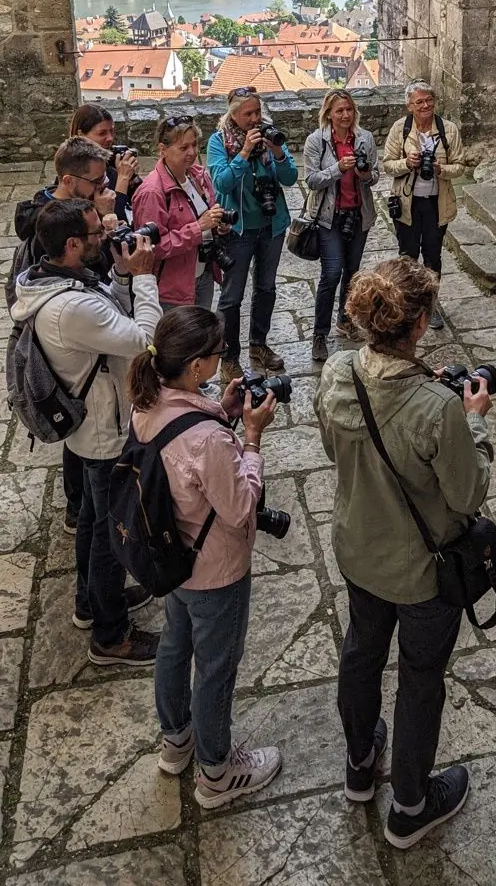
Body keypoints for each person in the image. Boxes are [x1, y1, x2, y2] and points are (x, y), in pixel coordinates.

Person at [314, 257, 494, 850]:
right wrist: (474, 425)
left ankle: (361, 763)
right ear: (417, 324)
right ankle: (411, 804)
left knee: (362, 653)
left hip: (359, 549)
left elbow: (337, 449)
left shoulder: (338, 373)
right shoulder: (437, 409)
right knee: (420, 678)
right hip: (421, 570)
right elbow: (466, 496)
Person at [129, 306, 283, 808]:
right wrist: (252, 439)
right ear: (196, 365)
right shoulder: (209, 439)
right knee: (216, 668)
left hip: (171, 559)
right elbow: (241, 507)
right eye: (218, 355)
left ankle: (177, 742)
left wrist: (223, 409)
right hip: (215, 570)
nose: (223, 361)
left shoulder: (148, 403)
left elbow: (184, 453)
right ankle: (217, 773)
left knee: (175, 647)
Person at [11, 197, 163, 665]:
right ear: (73, 243)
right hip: (103, 433)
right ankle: (110, 635)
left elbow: (109, 316)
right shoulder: (70, 308)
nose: (107, 235)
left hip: (93, 427)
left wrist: (118, 277)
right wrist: (143, 276)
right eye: (97, 233)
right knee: (111, 536)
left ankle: (90, 604)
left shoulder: (55, 278)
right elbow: (143, 343)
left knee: (95, 524)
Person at [9, 136, 118, 535]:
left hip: (75, 348)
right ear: (71, 182)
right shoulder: (52, 235)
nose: (102, 187)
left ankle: (81, 507)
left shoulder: (62, 221)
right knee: (81, 434)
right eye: (96, 181)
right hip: (76, 361)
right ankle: (78, 508)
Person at [207, 87, 298, 386]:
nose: (255, 119)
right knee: (232, 297)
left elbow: (290, 178)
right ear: (233, 114)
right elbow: (221, 182)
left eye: (257, 112)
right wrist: (244, 153)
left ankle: (258, 343)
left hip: (271, 225)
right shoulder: (218, 141)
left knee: (267, 287)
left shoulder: (269, 136)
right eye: (248, 114)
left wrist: (279, 154)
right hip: (238, 228)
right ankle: (229, 357)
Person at [303, 89, 380, 363]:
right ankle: (319, 334)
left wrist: (365, 174)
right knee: (331, 273)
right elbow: (311, 180)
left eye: (348, 109)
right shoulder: (317, 141)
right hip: (329, 218)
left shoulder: (365, 138)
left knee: (352, 272)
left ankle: (345, 319)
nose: (345, 115)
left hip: (358, 215)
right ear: (329, 114)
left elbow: (375, 177)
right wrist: (338, 168)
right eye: (339, 111)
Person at [382, 81, 465, 331]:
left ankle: (429, 306)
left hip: (436, 204)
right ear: (410, 105)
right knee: (408, 256)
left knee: (432, 257)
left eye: (429, 100)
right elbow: (387, 164)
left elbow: (460, 165)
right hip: (407, 203)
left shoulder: (448, 129)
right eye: (419, 102)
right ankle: (407, 305)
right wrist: (407, 163)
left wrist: (441, 169)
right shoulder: (401, 128)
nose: (425, 105)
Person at [133, 116, 226, 315]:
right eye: (183, 148)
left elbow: (206, 216)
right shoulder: (152, 192)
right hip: (172, 288)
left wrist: (218, 225)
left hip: (202, 274)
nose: (192, 153)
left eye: (194, 145)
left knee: (202, 338)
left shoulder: (197, 176)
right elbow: (152, 248)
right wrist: (198, 228)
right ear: (162, 149)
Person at [69, 103, 140, 223]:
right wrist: (123, 178)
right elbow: (116, 219)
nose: (110, 138)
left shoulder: (110, 163)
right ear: (81, 135)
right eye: (102, 133)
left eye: (111, 131)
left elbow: (140, 198)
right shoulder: (78, 177)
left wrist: (132, 177)